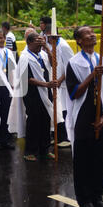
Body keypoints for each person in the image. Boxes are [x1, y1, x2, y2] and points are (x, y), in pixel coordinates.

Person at [65, 26, 103, 207]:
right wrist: (92, 75)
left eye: (93, 32)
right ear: (79, 41)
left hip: (101, 119)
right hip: (83, 119)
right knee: (83, 161)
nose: (92, 35)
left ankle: (98, 196)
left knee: (101, 160)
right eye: (87, 34)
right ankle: (85, 199)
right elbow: (75, 93)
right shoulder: (73, 64)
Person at [7, 32, 63, 162]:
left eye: (41, 42)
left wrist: (47, 48)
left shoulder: (42, 54)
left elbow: (54, 64)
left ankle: (44, 150)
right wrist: (46, 84)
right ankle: (30, 151)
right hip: (32, 93)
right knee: (34, 121)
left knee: (45, 120)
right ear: (30, 43)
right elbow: (27, 79)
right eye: (37, 42)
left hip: (46, 91)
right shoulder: (25, 57)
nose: (39, 45)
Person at [40, 16, 74, 148]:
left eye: (49, 37)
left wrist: (60, 80)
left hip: (62, 84)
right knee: (55, 110)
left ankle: (64, 137)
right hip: (52, 83)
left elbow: (70, 66)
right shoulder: (48, 45)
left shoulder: (64, 46)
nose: (48, 40)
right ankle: (55, 135)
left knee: (63, 110)